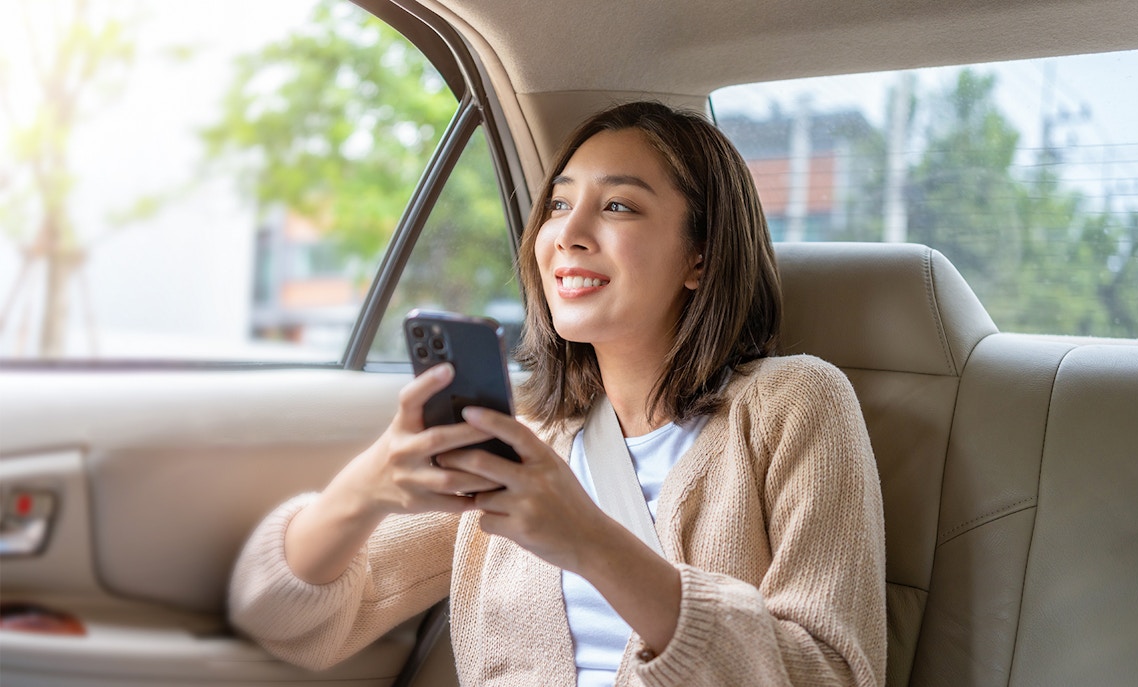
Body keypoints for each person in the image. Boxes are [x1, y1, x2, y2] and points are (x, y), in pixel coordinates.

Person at [228, 101, 886, 686]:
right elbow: (288, 621)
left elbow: (826, 671)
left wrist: (591, 541)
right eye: (559, 204)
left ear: (701, 257)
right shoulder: (531, 434)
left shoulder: (797, 404)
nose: (567, 233)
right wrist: (366, 485)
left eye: (619, 205)